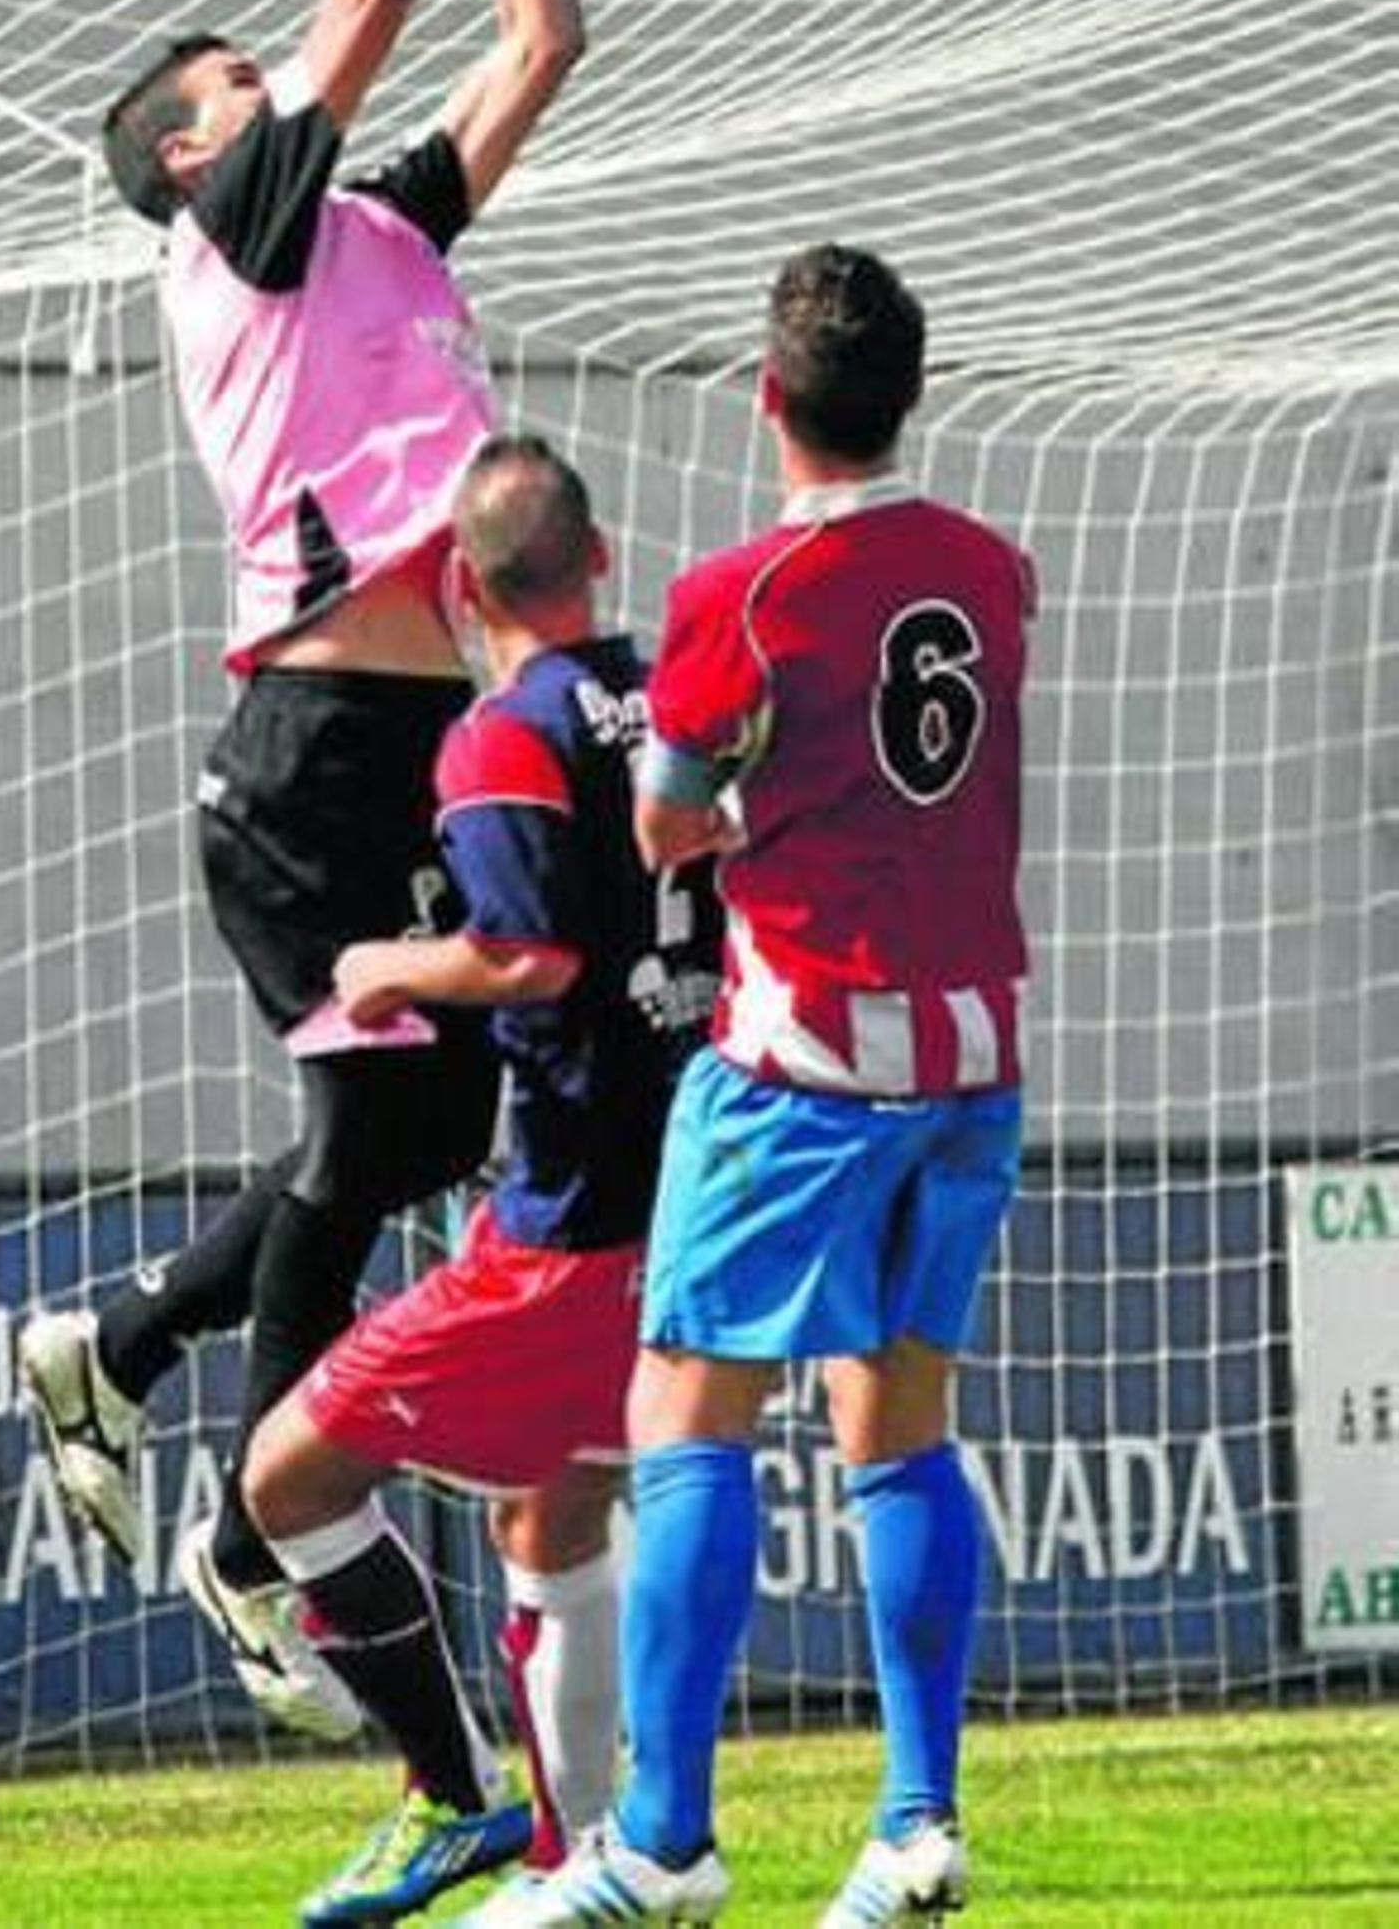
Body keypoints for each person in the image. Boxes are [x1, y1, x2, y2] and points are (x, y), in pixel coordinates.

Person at [18, 0, 585, 1745]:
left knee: (418, 1119)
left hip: (423, 744)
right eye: (237, 89)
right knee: (372, 1131)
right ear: (189, 147)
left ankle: (130, 1350)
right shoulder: (226, 235)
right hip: (312, 753)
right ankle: (257, 1544)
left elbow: (533, 46)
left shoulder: (383, 226)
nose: (281, 86)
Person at [461, 245, 1035, 1929]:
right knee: (900, 1414)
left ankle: (660, 1841)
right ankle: (914, 1821)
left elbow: (664, 818)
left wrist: (724, 802)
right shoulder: (995, 570)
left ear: (769, 399)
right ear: (907, 392)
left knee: (685, 1408)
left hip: (806, 1057)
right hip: (973, 1054)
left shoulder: (744, 594)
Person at [238, 435, 721, 1926]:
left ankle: (456, 1798)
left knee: (286, 1478)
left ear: (460, 582)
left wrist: (386, 965)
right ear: (599, 558)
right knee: (551, 1521)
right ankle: (597, 1862)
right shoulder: (676, 698)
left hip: (564, 1228)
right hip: (692, 1180)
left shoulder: (502, 734)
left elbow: (526, 954)